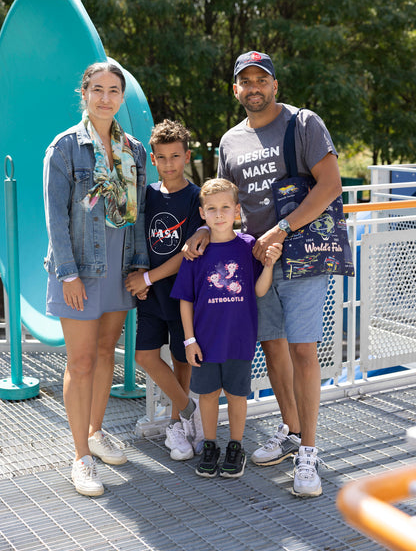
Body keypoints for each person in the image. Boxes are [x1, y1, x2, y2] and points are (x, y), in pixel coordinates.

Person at [183, 50, 343, 496]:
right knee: (273, 351)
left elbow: (331, 185)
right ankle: (291, 430)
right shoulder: (229, 141)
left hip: (303, 256)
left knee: (304, 353)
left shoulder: (303, 123)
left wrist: (280, 228)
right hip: (255, 264)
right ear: (235, 89)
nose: (254, 87)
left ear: (275, 85)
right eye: (245, 81)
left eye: (262, 79)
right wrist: (200, 230)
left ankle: (309, 453)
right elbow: (223, 203)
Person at [43, 62, 149, 497]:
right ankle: (80, 457)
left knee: (106, 351)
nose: (106, 98)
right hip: (80, 272)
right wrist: (67, 273)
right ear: (84, 93)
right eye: (98, 89)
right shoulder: (65, 148)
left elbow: (138, 215)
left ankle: (95, 432)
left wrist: (139, 266)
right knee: (81, 362)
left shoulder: (135, 151)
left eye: (114, 90)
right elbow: (55, 216)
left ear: (122, 97)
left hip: (119, 268)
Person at [171, 178, 282, 479]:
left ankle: (235, 446)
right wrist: (190, 340)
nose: (218, 215)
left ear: (236, 211)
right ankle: (210, 444)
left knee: (236, 394)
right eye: (212, 209)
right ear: (202, 213)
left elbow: (259, 291)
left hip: (239, 339)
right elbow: (185, 300)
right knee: (207, 395)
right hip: (204, 341)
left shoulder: (248, 247)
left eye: (225, 208)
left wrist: (269, 265)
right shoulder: (196, 252)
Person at [124, 119, 204, 461]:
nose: (169, 163)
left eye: (176, 156)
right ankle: (188, 410)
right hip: (151, 294)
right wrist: (140, 274)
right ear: (152, 160)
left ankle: (177, 426)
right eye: (162, 157)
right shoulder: (146, 195)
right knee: (144, 356)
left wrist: (148, 278)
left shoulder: (196, 197)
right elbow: (139, 238)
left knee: (181, 358)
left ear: (186, 157)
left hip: (182, 293)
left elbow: (187, 254)